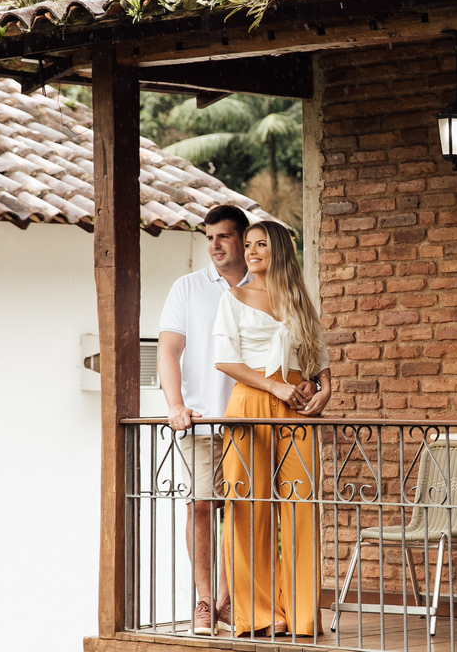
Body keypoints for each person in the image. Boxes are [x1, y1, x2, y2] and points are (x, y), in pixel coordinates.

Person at [214, 220, 332, 638]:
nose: (251, 251)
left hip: (298, 410)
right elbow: (225, 360)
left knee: (301, 508)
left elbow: (319, 361)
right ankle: (259, 614)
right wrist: (275, 386)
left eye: (260, 244)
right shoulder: (234, 299)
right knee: (248, 509)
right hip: (250, 405)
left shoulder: (300, 302)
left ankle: (301, 614)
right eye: (247, 244)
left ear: (279, 249)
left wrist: (324, 390)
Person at [158, 204, 254, 635]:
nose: (214, 244)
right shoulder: (188, 287)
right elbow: (168, 350)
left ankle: (229, 601)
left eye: (224, 236)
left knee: (243, 512)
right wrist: (175, 405)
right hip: (199, 422)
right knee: (201, 506)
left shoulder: (264, 286)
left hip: (252, 422)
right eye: (209, 236)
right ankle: (202, 601)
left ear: (243, 238)